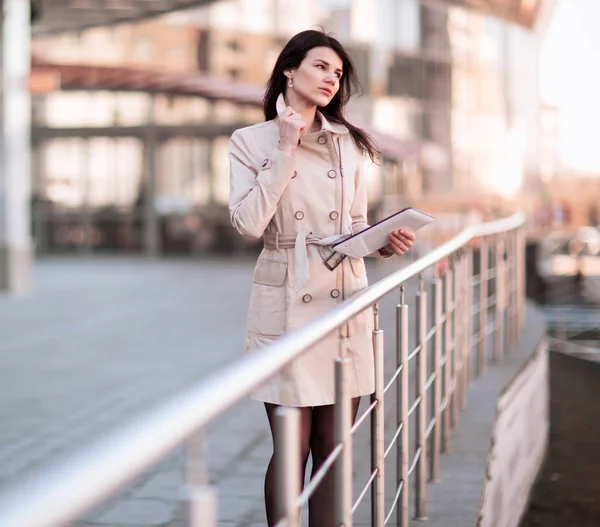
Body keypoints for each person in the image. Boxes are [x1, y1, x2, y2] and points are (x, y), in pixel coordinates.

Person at [228, 29, 416, 526]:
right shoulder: (250, 142)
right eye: (320, 67)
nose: (331, 78)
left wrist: (383, 241)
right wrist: (286, 149)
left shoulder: (350, 144)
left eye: (337, 73)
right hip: (286, 303)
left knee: (334, 451)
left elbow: (352, 225)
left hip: (343, 305)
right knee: (291, 449)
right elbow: (248, 224)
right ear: (289, 70)